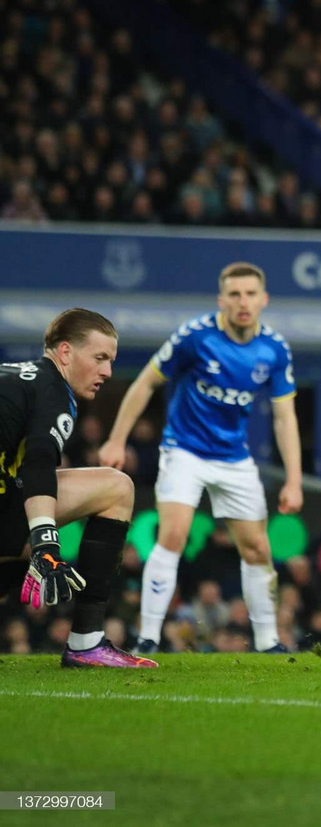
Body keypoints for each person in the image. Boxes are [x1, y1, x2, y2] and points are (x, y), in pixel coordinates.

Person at [100, 262, 302, 653]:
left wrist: (294, 479)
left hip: (234, 458)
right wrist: (116, 439)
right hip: (184, 450)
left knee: (258, 549)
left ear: (264, 300)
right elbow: (145, 383)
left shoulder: (274, 349)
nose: (243, 302)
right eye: (235, 294)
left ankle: (268, 642)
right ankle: (149, 638)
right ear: (221, 300)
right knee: (173, 534)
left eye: (250, 294)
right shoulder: (195, 337)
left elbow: (284, 416)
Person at [0, 309, 153, 667]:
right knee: (116, 488)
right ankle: (86, 642)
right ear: (66, 353)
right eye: (99, 358)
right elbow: (39, 463)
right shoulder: (53, 390)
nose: (107, 372)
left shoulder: (18, 379)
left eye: (111, 361)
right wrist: (46, 544)